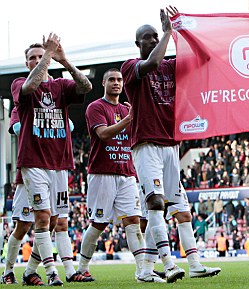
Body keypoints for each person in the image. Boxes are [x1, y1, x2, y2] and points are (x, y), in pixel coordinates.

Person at [120, 6, 220, 282]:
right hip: (146, 144)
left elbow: (205, 58)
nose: (153, 40)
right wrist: (166, 32)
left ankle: (191, 264)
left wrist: (182, 30)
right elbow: (150, 63)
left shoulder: (171, 65)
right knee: (155, 202)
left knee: (181, 209)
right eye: (148, 37)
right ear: (137, 43)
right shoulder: (130, 67)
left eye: (155, 36)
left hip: (171, 145)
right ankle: (169, 263)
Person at [11, 34, 92, 286]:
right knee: (37, 221)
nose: (37, 60)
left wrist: (64, 60)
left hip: (59, 164)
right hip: (32, 163)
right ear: (27, 64)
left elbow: (86, 87)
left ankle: (29, 272)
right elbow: (30, 88)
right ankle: (52, 272)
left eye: (40, 55)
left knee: (56, 221)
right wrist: (46, 55)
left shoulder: (60, 86)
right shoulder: (19, 84)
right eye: (32, 58)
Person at [77, 68, 164, 283]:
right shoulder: (95, 107)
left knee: (133, 221)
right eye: (112, 80)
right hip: (102, 173)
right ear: (104, 83)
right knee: (99, 223)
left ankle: (143, 271)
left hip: (127, 173)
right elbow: (103, 134)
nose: (116, 83)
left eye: (119, 80)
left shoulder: (127, 109)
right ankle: (82, 268)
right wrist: (129, 119)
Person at [1, 108, 91, 285]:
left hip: (55, 169)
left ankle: (35, 271)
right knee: (24, 225)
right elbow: (19, 128)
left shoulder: (56, 107)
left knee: (56, 222)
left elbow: (69, 126)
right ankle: (8, 271)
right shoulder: (21, 107)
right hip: (31, 171)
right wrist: (45, 124)